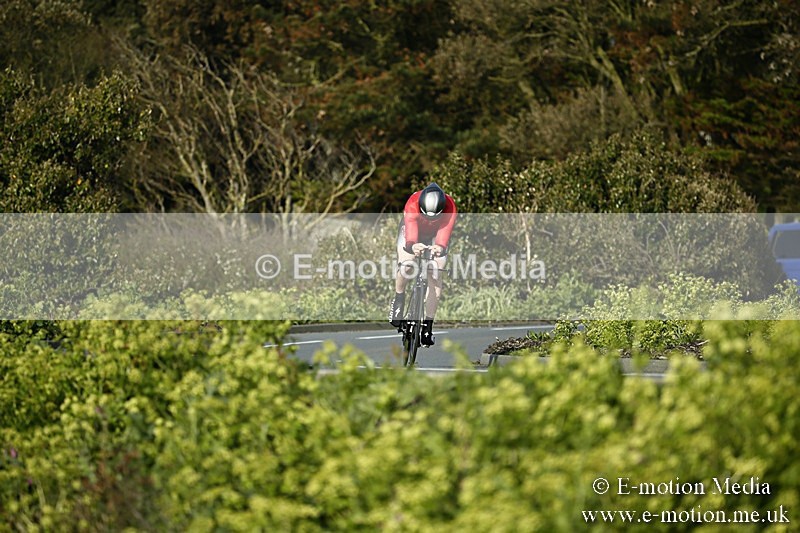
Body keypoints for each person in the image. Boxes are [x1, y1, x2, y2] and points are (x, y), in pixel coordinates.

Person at [389, 182, 457, 346]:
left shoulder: (450, 207)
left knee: (435, 272)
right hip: (413, 233)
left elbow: (444, 234)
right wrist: (412, 245)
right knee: (407, 265)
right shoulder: (413, 203)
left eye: (434, 216)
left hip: (435, 236)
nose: (430, 219)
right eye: (426, 215)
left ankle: (428, 325)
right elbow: (410, 235)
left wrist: (440, 248)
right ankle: (399, 298)